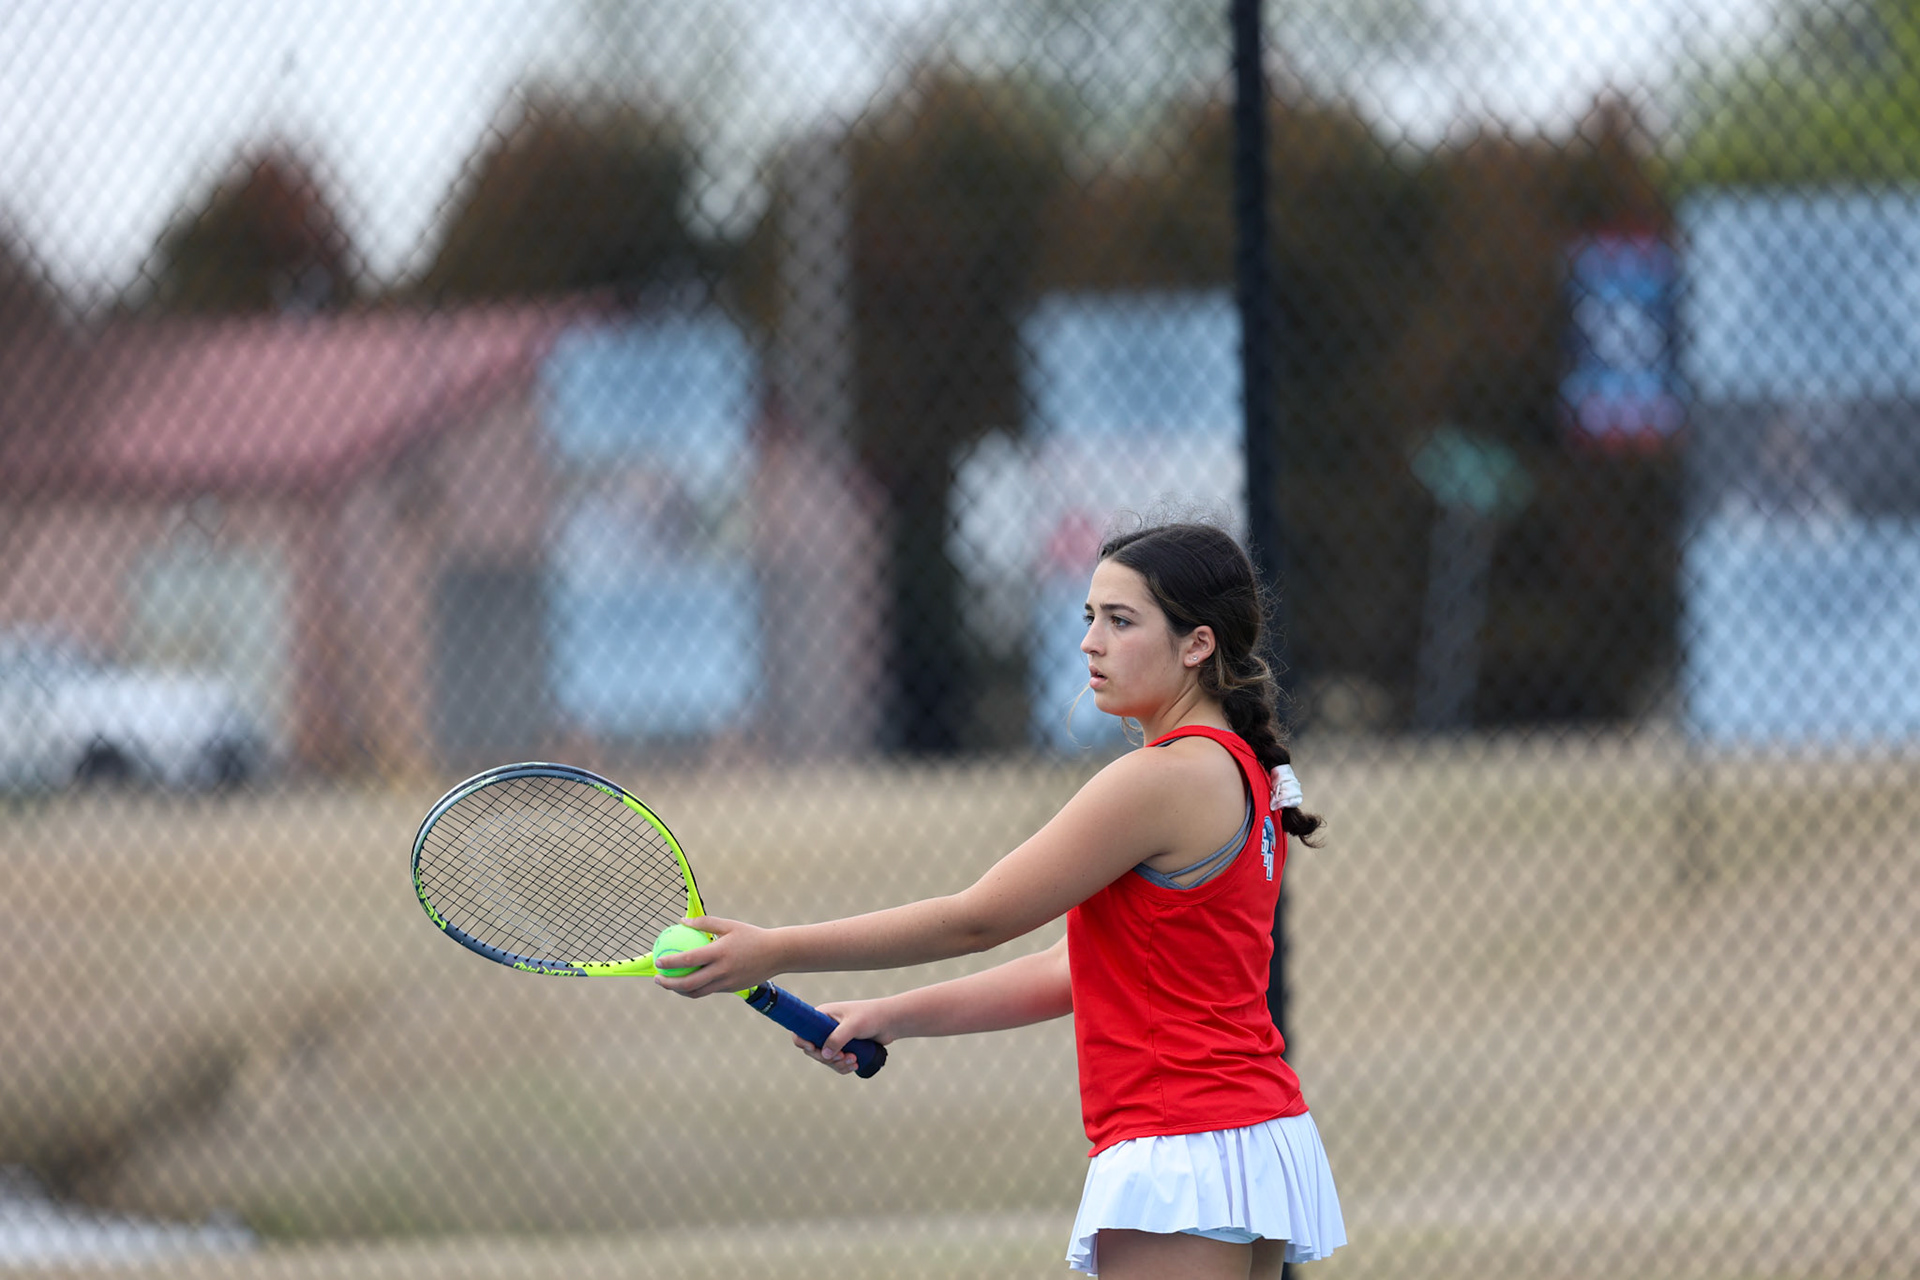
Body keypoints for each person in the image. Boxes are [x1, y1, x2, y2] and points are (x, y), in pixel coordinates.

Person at [657, 520, 1347, 1278]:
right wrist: (893, 1015)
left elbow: (979, 917)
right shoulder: (1238, 767)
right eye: (1090, 617)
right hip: (1248, 1132)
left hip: (1180, 1144)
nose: (1090, 642)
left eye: (1121, 621)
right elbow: (1070, 969)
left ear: (1197, 645)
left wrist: (775, 948)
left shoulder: (1163, 779)